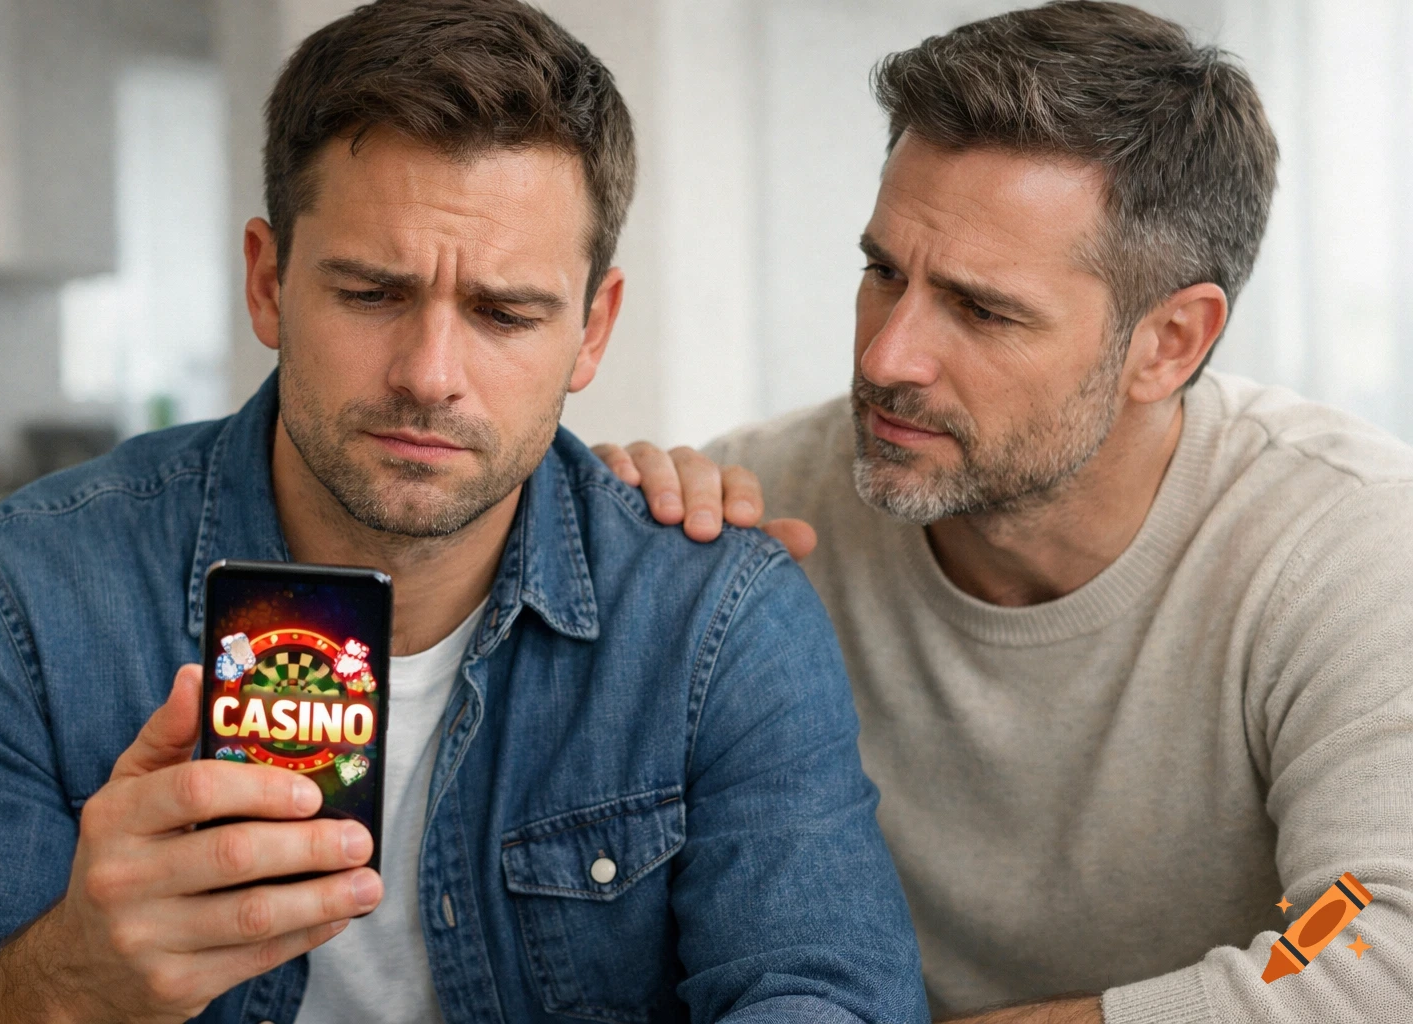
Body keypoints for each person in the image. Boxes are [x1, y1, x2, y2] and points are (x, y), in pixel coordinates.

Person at [0, 3, 929, 1023]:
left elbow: (824, 993)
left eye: (505, 312)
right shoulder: (11, 605)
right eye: (372, 293)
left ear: (592, 329)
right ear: (268, 280)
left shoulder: (719, 622)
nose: (431, 376)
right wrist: (70, 981)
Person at [596, 3, 1413, 1022]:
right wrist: (605, 546)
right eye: (883, 272)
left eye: (982, 309)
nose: (887, 357)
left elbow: (1369, 942)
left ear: (1170, 342)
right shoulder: (754, 515)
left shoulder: (1347, 542)